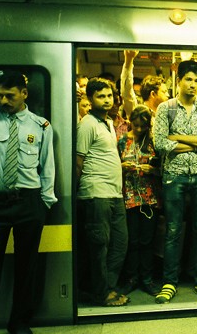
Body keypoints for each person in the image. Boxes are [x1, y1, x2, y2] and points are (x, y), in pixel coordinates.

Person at [0, 71, 57, 334]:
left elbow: (47, 166)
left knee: (27, 267)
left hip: (29, 202)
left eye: (9, 95)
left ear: (24, 94)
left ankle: (20, 322)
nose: (3, 100)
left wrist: (44, 202)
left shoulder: (41, 125)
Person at [153, 60, 197, 303]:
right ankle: (169, 283)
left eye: (196, 80)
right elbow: (160, 143)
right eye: (188, 80)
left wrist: (177, 138)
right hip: (175, 174)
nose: (193, 85)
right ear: (179, 81)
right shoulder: (166, 108)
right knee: (173, 230)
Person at [76, 77, 129, 307]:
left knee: (119, 244)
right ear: (90, 99)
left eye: (109, 96)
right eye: (101, 96)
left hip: (114, 194)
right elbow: (78, 162)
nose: (107, 100)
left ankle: (107, 287)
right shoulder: (87, 124)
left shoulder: (108, 123)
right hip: (96, 193)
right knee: (99, 247)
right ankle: (101, 293)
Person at [117, 105, 161, 297]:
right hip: (128, 196)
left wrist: (154, 171)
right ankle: (131, 277)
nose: (140, 130)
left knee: (147, 240)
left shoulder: (153, 142)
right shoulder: (122, 142)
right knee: (132, 240)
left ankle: (147, 278)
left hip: (149, 197)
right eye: (136, 126)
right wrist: (122, 167)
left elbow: (164, 169)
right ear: (131, 124)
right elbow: (112, 166)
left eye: (143, 126)